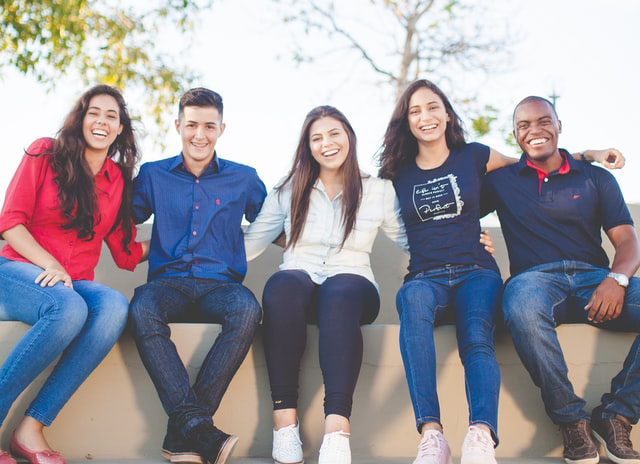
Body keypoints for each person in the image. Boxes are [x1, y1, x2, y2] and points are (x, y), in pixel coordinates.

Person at [376, 79, 623, 464]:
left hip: (477, 270)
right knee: (412, 303)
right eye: (415, 111)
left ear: (446, 113)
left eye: (433, 107)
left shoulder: (475, 156)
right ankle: (432, 435)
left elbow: (536, 160)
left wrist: (588, 154)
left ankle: (480, 435)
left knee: (476, 335)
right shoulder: (397, 173)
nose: (426, 117)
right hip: (425, 276)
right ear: (405, 121)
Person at [243, 105, 414, 464]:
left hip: (354, 285)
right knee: (281, 285)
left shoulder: (379, 190)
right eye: (316, 138)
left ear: (349, 136)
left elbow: (411, 239)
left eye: (334, 133)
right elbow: (250, 244)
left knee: (338, 292)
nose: (327, 143)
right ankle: (284, 424)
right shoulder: (288, 191)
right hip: (300, 281)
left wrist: (464, 242)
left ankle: (336, 431)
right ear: (308, 146)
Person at [483, 96, 640, 464]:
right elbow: (458, 197)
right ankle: (572, 422)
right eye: (524, 125)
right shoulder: (501, 182)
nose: (534, 130)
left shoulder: (595, 177)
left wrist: (616, 279)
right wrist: (475, 238)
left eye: (543, 121)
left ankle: (616, 415)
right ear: (515, 135)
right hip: (534, 282)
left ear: (558, 125)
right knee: (520, 307)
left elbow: (627, 240)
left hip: (596, 281)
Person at [0, 85, 148, 464]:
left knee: (114, 306)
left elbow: (126, 252)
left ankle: (31, 428)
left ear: (120, 129)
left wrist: (184, 243)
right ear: (81, 119)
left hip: (72, 282)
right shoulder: (44, 153)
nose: (101, 121)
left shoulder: (117, 180)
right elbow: (10, 223)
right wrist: (49, 263)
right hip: (17, 268)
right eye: (93, 112)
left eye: (111, 116)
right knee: (68, 309)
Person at [128, 88, 266, 464]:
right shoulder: (153, 175)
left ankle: (185, 431)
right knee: (141, 308)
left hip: (221, 286)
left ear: (222, 128)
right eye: (191, 125)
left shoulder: (245, 178)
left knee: (247, 310)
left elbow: (276, 222)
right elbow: (120, 218)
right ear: (178, 125)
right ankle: (199, 429)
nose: (199, 135)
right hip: (167, 283)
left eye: (209, 126)